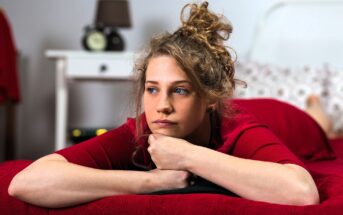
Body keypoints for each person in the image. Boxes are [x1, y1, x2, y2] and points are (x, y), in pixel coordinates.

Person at [8, 1, 319, 208]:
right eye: (153, 89)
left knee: (318, 123)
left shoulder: (239, 128)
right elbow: (26, 183)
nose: (162, 106)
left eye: (181, 91)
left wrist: (188, 155)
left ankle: (318, 109)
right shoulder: (144, 127)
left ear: (209, 97)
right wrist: (148, 181)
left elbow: (302, 192)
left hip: (282, 116)